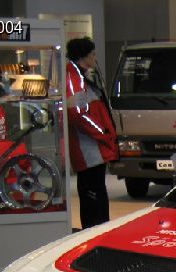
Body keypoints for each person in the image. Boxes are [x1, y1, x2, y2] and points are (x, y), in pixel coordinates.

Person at [65, 36, 118, 229]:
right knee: (94, 199)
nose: (95, 58)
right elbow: (77, 113)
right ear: (84, 56)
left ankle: (97, 231)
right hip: (90, 151)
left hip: (93, 149)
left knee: (96, 197)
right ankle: (95, 233)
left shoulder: (80, 77)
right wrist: (101, 133)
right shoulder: (75, 79)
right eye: (93, 54)